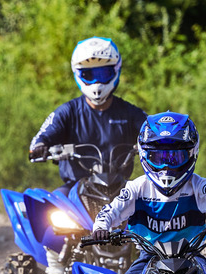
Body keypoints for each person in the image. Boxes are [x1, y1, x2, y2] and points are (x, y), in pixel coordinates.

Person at [89, 112, 206, 274]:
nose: (166, 166)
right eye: (158, 157)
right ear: (144, 155)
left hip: (192, 256)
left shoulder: (197, 185)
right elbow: (111, 210)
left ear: (191, 154)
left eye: (175, 158)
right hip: (148, 257)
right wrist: (101, 228)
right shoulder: (137, 187)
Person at [28, 37, 147, 187]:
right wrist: (40, 146)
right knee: (49, 205)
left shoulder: (129, 112)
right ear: (78, 74)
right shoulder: (67, 112)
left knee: (152, 204)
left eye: (103, 74)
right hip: (75, 190)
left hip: (120, 189)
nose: (97, 82)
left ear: (116, 70)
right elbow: (41, 137)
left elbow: (154, 131)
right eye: (89, 75)